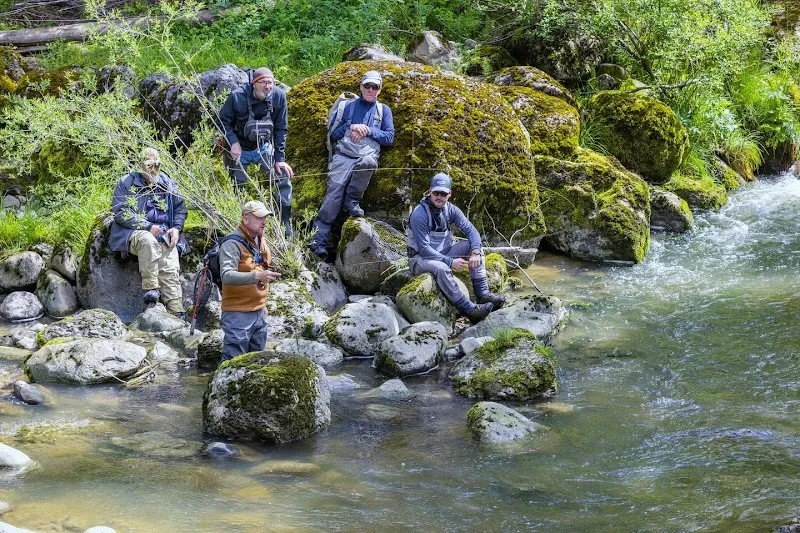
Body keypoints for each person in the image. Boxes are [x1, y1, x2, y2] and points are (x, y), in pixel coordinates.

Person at [309, 70, 395, 258]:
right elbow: (333, 135)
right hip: (343, 157)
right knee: (332, 197)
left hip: (366, 157)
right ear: (361, 87)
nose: (371, 90)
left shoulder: (384, 110)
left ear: (380, 89)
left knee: (369, 162)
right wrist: (350, 126)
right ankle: (318, 241)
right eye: (367, 86)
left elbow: (389, 138)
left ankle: (352, 201)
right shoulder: (346, 107)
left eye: (375, 87)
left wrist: (367, 130)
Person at [406, 173, 506, 324]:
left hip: (445, 253)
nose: (439, 197)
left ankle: (482, 294)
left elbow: (472, 231)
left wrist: (475, 252)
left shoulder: (451, 210)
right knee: (441, 267)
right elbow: (425, 249)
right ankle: (469, 309)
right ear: (430, 192)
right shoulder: (419, 214)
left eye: (443, 194)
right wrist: (450, 262)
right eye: (436, 193)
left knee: (474, 247)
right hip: (420, 259)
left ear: (450, 194)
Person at [109, 147, 188, 316]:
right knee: (148, 241)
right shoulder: (126, 183)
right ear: (140, 166)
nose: (154, 169)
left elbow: (180, 209)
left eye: (157, 165)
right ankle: (152, 291)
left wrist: (176, 228)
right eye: (149, 165)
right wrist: (148, 226)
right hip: (135, 231)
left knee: (170, 256)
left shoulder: (168, 183)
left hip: (164, 232)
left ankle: (175, 308)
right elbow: (120, 212)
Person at [219, 67, 295, 236]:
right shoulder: (237, 96)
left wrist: (280, 159)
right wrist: (233, 143)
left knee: (283, 176)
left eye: (271, 82)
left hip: (263, 147)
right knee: (237, 187)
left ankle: (285, 224)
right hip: (239, 149)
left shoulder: (278, 96)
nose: (268, 87)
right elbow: (222, 121)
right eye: (263, 83)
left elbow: (281, 129)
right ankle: (241, 228)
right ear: (254, 83)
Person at [219, 200, 282, 361]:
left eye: (265, 218)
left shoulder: (260, 240)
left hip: (259, 312)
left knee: (257, 361)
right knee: (233, 362)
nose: (264, 222)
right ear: (245, 219)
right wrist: (257, 277)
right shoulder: (231, 244)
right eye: (259, 218)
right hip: (237, 314)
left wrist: (263, 305)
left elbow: (261, 267)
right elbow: (226, 275)